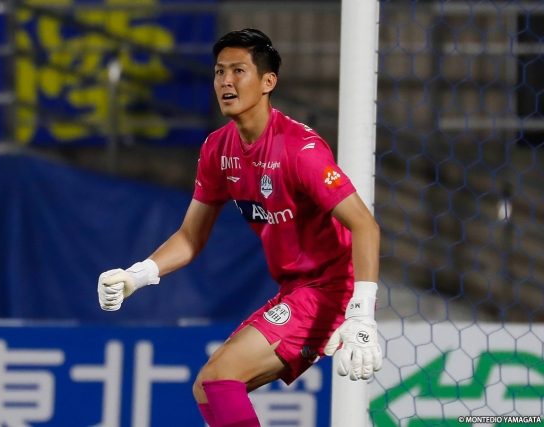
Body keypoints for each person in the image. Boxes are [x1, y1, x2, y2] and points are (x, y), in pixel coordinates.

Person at [97, 28, 382, 427]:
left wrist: (361, 315)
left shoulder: (300, 150)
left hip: (331, 289)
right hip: (295, 288)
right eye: (219, 72)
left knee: (220, 377)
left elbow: (366, 226)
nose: (226, 81)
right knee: (207, 387)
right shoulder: (218, 149)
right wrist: (136, 276)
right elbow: (190, 237)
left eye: (238, 71)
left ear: (268, 82)